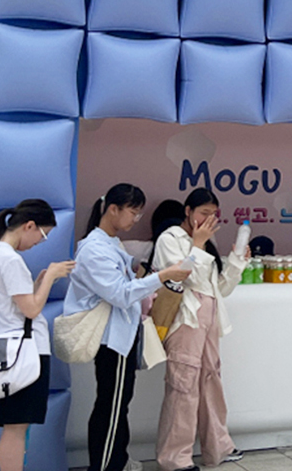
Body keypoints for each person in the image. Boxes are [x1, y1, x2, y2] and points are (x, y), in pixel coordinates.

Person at [64, 184, 191, 471]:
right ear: (113, 209)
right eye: (133, 213)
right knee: (111, 406)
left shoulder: (110, 244)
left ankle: (118, 461)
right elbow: (120, 294)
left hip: (122, 335)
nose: (136, 219)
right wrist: (163, 276)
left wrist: (145, 271)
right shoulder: (94, 250)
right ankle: (105, 465)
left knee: (118, 403)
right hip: (112, 338)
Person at [0, 200, 74, 471]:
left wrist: (37, 284)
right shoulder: (11, 260)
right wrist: (51, 278)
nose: (40, 242)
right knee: (15, 427)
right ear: (29, 226)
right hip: (23, 354)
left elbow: (13, 305)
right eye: (43, 234)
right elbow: (32, 309)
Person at [152, 188, 248, 471]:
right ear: (188, 211)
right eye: (204, 212)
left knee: (211, 380)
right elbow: (183, 277)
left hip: (210, 320)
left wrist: (237, 262)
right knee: (182, 385)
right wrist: (198, 244)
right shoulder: (170, 238)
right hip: (185, 321)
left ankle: (218, 447)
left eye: (214, 214)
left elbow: (220, 289)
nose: (209, 219)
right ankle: (174, 458)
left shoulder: (206, 243)